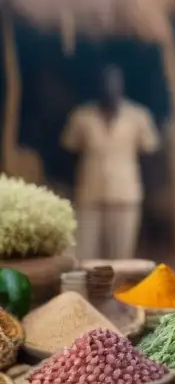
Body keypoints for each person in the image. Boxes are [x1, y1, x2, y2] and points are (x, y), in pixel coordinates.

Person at [61, 65, 160, 260]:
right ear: (97, 87)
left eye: (114, 83)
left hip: (125, 196)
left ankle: (115, 292)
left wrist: (147, 191)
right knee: (85, 257)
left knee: (121, 258)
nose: (109, 88)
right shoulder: (81, 117)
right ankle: (88, 292)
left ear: (122, 86)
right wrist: (72, 186)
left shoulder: (139, 116)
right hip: (89, 196)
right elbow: (68, 155)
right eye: (104, 83)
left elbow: (149, 157)